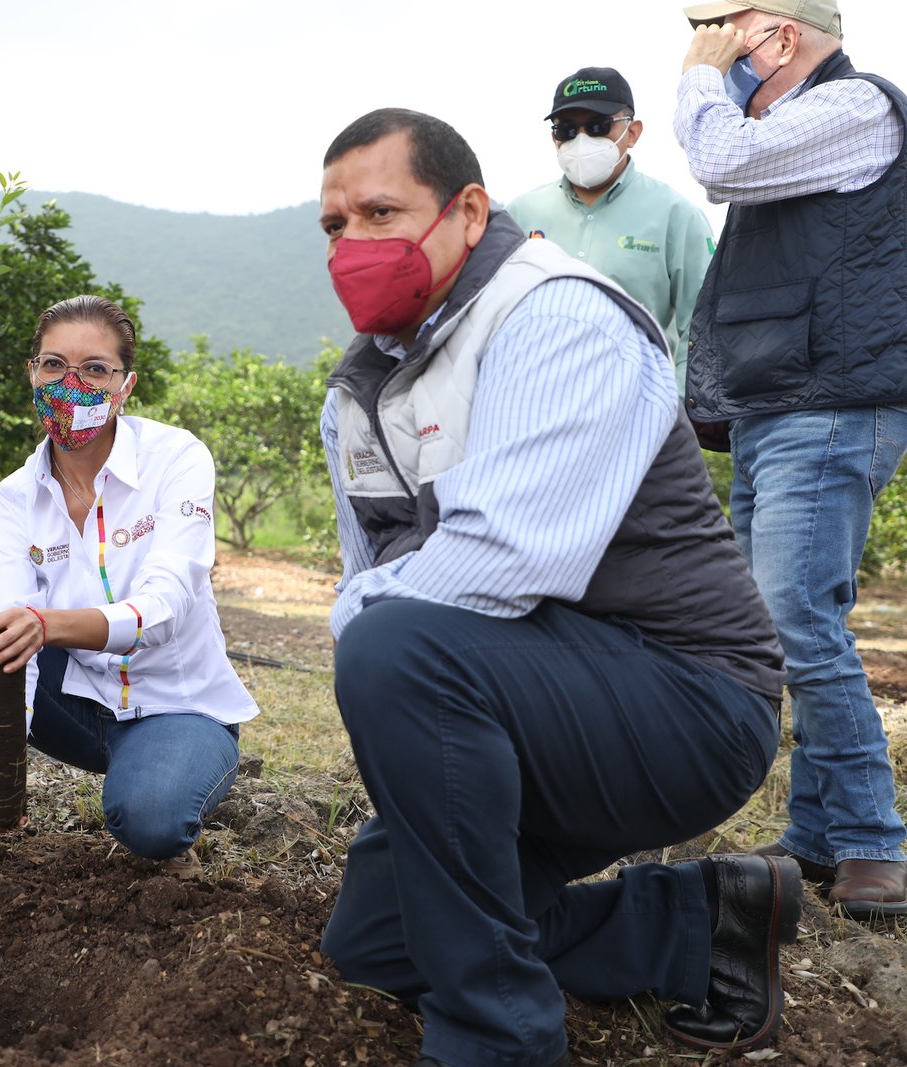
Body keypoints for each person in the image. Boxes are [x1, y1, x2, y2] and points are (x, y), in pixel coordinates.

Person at [315, 108, 795, 1065]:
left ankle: (497, 1037)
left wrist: (362, 628)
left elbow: (503, 560)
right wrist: (369, 626)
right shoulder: (361, 390)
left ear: (466, 211)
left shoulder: (558, 315)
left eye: (381, 212)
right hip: (527, 700)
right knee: (371, 944)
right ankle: (697, 922)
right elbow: (372, 576)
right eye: (334, 226)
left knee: (393, 642)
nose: (354, 245)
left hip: (687, 700)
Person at [674, 0, 907, 917]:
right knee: (785, 625)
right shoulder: (792, 126)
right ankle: (818, 833)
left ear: (780, 33)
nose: (709, 43)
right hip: (783, 401)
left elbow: (720, 159)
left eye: (723, 25)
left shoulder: (856, 111)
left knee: (796, 617)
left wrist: (699, 78)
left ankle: (871, 841)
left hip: (832, 402)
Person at [0, 295, 257, 886]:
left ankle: (166, 779)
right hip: (76, 703)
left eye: (94, 368)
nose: (71, 383)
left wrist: (49, 625)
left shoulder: (177, 459)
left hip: (174, 704)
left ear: (126, 385)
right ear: (31, 373)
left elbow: (165, 608)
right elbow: (10, 635)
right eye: (53, 365)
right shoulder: (15, 497)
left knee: (151, 821)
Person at [507, 66, 716, 394]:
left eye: (597, 127)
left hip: (632, 408)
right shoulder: (519, 214)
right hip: (532, 402)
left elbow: (701, 330)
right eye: (566, 130)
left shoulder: (677, 216)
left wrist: (672, 407)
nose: (581, 140)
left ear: (632, 133)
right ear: (553, 138)